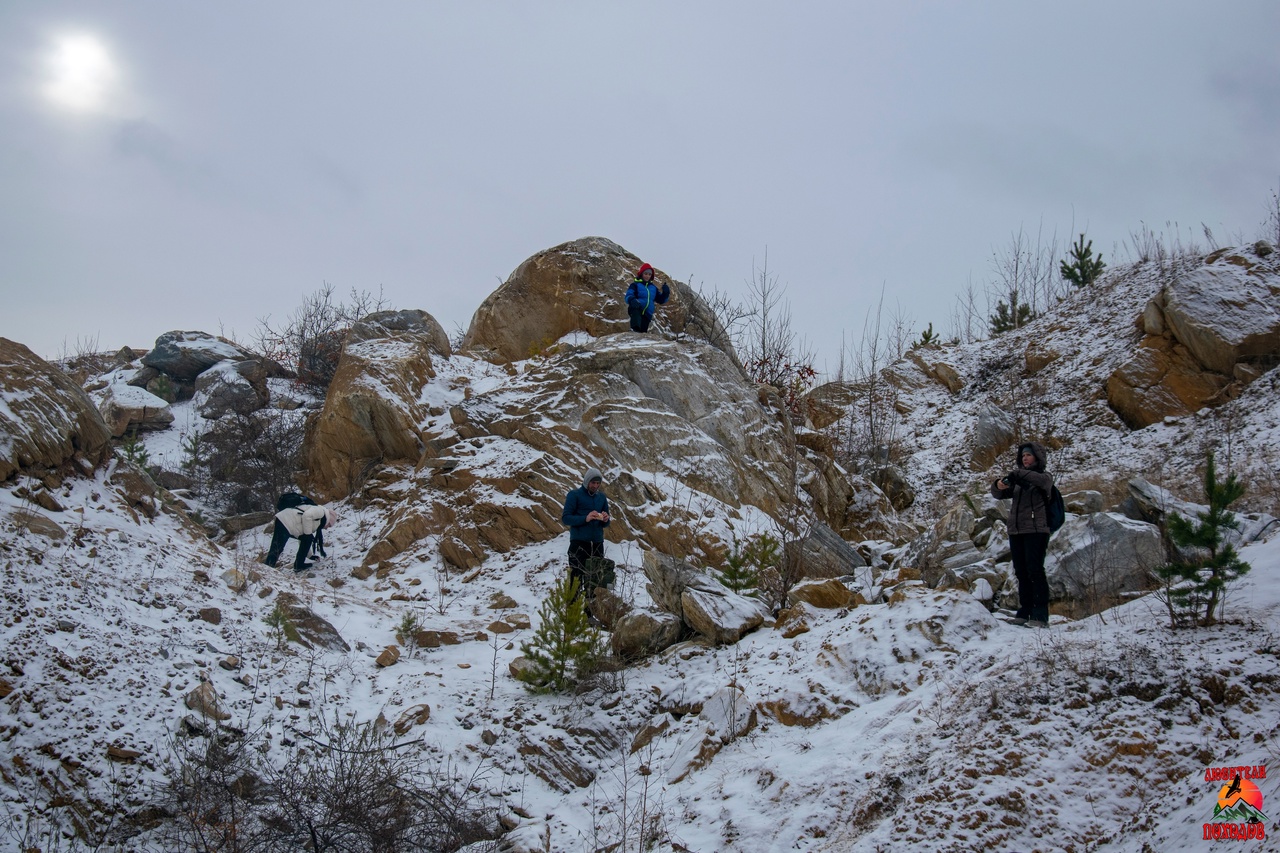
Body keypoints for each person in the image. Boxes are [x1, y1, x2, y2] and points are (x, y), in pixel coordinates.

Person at [990, 442, 1054, 627]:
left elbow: (1038, 481)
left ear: (1038, 458)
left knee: (1035, 571)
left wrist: (1015, 475)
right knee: (1021, 572)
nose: (1025, 458)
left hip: (1036, 530)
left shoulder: (1044, 478)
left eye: (1029, 455)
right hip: (1017, 531)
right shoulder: (1019, 482)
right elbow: (997, 494)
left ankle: (1040, 615)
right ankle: (1025, 612)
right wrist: (999, 484)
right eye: (1023, 455)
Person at [561, 468, 610, 595]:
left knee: (595, 581)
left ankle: (590, 613)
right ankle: (572, 612)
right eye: (593, 483)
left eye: (598, 483)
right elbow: (566, 518)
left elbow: (607, 523)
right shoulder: (574, 495)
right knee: (576, 580)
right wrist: (585, 518)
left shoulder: (601, 498)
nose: (595, 486)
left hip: (597, 544)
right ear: (587, 481)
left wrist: (605, 519)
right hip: (579, 543)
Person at [266, 502, 335, 573]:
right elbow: (306, 515)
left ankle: (297, 565)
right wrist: (307, 535)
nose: (327, 528)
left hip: (285, 520)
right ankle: (268, 570)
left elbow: (303, 538)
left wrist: (310, 556)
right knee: (277, 547)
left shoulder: (319, 521)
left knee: (277, 547)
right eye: (329, 525)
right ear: (329, 520)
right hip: (286, 520)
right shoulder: (321, 512)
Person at [625, 263, 671, 333]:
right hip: (637, 308)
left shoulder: (653, 288)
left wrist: (666, 293)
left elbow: (661, 300)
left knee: (642, 332)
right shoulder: (635, 285)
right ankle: (633, 330)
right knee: (636, 327)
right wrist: (632, 300)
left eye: (649, 274)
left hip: (647, 313)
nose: (647, 276)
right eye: (646, 274)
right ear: (641, 274)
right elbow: (628, 295)